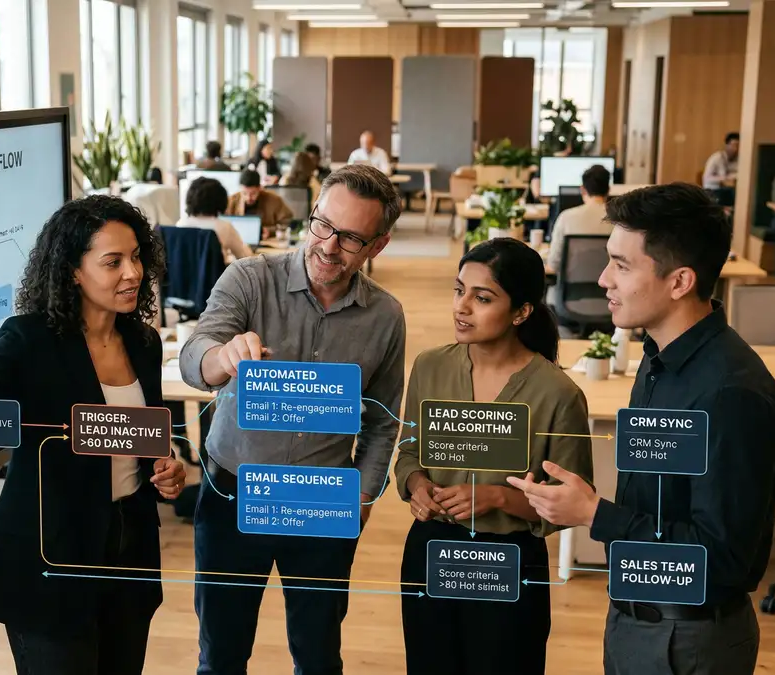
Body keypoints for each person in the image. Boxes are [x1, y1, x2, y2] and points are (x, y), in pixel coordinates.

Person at [0, 195, 187, 675]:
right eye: (113, 262)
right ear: (73, 270)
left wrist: (166, 464)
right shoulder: (30, 339)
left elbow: (144, 433)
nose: (132, 273)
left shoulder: (144, 341)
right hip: (52, 559)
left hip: (128, 551)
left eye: (136, 257)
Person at [507, 183, 775, 675]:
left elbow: (723, 558)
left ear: (679, 281)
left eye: (621, 264)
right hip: (637, 617)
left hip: (688, 637)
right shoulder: (658, 360)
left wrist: (596, 514)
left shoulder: (729, 394)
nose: (601, 280)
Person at [180, 164, 407, 675]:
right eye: (323, 225)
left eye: (350, 238)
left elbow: (382, 420)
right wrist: (224, 357)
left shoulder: (386, 316)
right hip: (234, 491)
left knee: (318, 653)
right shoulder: (248, 278)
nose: (328, 246)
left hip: (322, 501)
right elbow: (194, 353)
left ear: (379, 245)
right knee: (221, 652)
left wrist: (363, 500)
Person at [395, 238, 593, 674]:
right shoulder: (429, 366)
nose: (462, 307)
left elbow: (570, 504)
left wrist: (497, 498)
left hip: (509, 560)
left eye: (482, 298)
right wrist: (417, 486)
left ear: (521, 312)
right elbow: (409, 454)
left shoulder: (558, 394)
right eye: (458, 290)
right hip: (432, 550)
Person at [546, 164, 613, 274]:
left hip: (569, 290)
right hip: (608, 288)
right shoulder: (619, 219)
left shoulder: (566, 217)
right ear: (608, 189)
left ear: (582, 189)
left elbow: (553, 266)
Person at [177, 177, 253, 261]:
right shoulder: (224, 227)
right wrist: (246, 247)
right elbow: (245, 258)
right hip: (216, 274)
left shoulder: (180, 224)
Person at [227, 169, 294, 235]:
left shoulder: (274, 200)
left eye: (253, 193)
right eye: (244, 193)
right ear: (240, 188)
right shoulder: (231, 201)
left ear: (260, 188)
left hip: (267, 242)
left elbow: (288, 222)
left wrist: (270, 231)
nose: (248, 198)